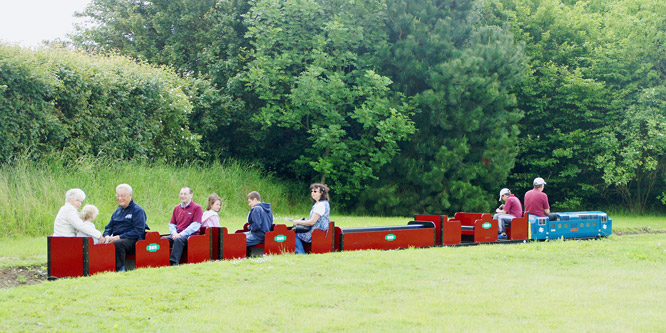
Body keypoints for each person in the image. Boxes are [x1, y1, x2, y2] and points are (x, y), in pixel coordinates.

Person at [101, 184, 148, 272]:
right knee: (102, 242)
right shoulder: (117, 211)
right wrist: (106, 235)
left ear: (130, 195)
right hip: (117, 237)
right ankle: (104, 267)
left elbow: (138, 230)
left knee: (118, 243)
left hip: (132, 239)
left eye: (122, 196)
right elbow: (109, 226)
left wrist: (120, 237)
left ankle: (120, 269)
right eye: (118, 196)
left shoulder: (138, 210)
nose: (120, 198)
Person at [163, 187, 203, 266]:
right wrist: (174, 233)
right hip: (177, 234)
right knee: (163, 240)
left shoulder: (197, 208)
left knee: (179, 240)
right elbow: (172, 224)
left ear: (191, 195)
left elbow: (195, 225)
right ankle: (161, 261)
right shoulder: (177, 208)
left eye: (185, 194)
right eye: (181, 194)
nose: (182, 196)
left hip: (191, 236)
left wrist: (181, 234)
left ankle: (173, 263)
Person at [291, 183, 331, 254]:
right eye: (312, 191)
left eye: (315, 191)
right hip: (318, 230)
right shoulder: (323, 203)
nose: (313, 193)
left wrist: (298, 222)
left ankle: (300, 253)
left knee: (292, 233)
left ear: (321, 193)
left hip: (315, 231)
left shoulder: (320, 205)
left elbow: (312, 222)